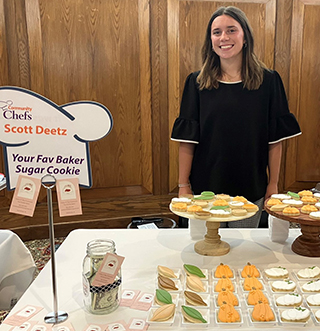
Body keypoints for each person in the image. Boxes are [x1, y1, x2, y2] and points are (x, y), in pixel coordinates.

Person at [171, 6, 301, 228]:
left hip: (251, 188)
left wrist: (273, 184)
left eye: (231, 30)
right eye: (217, 32)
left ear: (245, 37)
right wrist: (183, 185)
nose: (224, 37)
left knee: (244, 254)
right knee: (205, 252)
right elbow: (188, 140)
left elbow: (275, 140)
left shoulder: (269, 82)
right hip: (205, 191)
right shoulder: (196, 83)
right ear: (210, 39)